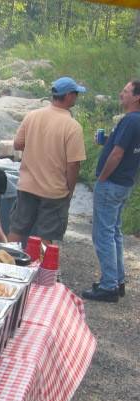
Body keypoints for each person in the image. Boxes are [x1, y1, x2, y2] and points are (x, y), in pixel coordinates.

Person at [8, 77, 87, 246]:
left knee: (17, 230)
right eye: (75, 94)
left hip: (27, 186)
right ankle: (42, 271)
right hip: (54, 191)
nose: (76, 97)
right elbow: (73, 164)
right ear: (68, 96)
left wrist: (36, 147)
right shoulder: (72, 126)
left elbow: (18, 144)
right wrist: (70, 190)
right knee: (46, 235)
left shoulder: (32, 116)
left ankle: (7, 263)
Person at [83, 80, 140, 303]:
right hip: (125, 182)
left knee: (103, 234)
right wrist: (107, 141)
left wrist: (102, 177)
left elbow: (118, 153)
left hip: (112, 183)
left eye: (125, 91)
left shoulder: (130, 121)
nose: (121, 94)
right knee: (114, 232)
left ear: (136, 97)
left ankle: (108, 286)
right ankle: (117, 280)